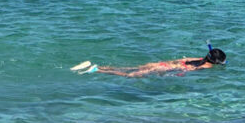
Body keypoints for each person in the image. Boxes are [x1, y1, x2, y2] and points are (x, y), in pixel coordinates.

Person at [72, 44, 227, 77]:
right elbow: (189, 69)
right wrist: (179, 74)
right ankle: (97, 70)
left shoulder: (200, 58)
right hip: (165, 69)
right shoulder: (206, 67)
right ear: (216, 62)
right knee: (131, 75)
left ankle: (100, 66)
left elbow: (184, 60)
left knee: (134, 67)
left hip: (165, 64)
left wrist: (174, 65)